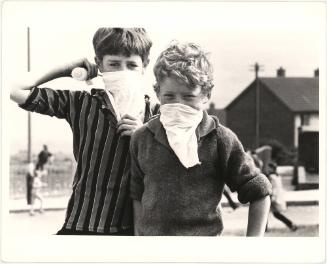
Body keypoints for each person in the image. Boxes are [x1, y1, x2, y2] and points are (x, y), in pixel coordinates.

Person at [10, 28, 153, 235]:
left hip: (127, 230)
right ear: (99, 64)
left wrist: (144, 137)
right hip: (80, 224)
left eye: (131, 65)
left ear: (144, 66)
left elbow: (168, 170)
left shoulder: (156, 114)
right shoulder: (80, 103)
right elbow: (13, 90)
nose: (123, 71)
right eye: (113, 64)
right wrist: (64, 69)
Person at [130, 42, 272, 236]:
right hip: (154, 249)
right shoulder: (142, 138)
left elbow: (259, 192)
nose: (178, 104)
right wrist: (140, 237)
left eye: (188, 97)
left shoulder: (221, 140)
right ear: (157, 92)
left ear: (206, 94)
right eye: (169, 96)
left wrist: (252, 245)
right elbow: (137, 193)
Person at [266, 162, 298, 232]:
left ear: (271, 168)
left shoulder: (271, 176)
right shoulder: (277, 176)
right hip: (276, 196)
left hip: (272, 197)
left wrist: (272, 198)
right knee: (275, 214)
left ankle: (264, 229)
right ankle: (291, 224)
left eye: (269, 168)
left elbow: (272, 188)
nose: (267, 169)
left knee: (266, 213)